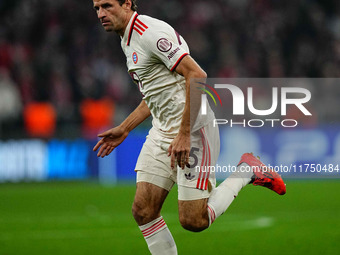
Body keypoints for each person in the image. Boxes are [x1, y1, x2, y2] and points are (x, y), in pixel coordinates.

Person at [92, 0, 286, 254]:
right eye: (96, 8)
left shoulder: (149, 33)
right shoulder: (127, 38)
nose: (101, 14)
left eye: (107, 5)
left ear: (127, 4)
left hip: (193, 129)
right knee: (143, 210)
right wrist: (126, 127)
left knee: (194, 221)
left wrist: (184, 134)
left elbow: (197, 75)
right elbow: (157, 93)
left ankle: (246, 171)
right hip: (162, 131)